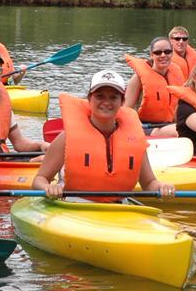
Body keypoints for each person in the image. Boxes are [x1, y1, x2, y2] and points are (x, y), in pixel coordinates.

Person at [33, 70, 176, 200]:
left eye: (113, 97)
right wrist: (48, 187)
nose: (106, 102)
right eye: (100, 96)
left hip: (118, 209)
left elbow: (149, 183)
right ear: (90, 99)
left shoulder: (135, 139)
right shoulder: (67, 138)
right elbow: (39, 179)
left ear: (122, 102)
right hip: (74, 205)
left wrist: (161, 187)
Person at [124, 36, 185, 137]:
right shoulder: (137, 78)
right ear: (151, 55)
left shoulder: (177, 75)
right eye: (158, 52)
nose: (163, 55)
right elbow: (126, 109)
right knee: (178, 131)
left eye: (167, 51)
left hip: (169, 125)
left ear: (172, 53)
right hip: (145, 127)